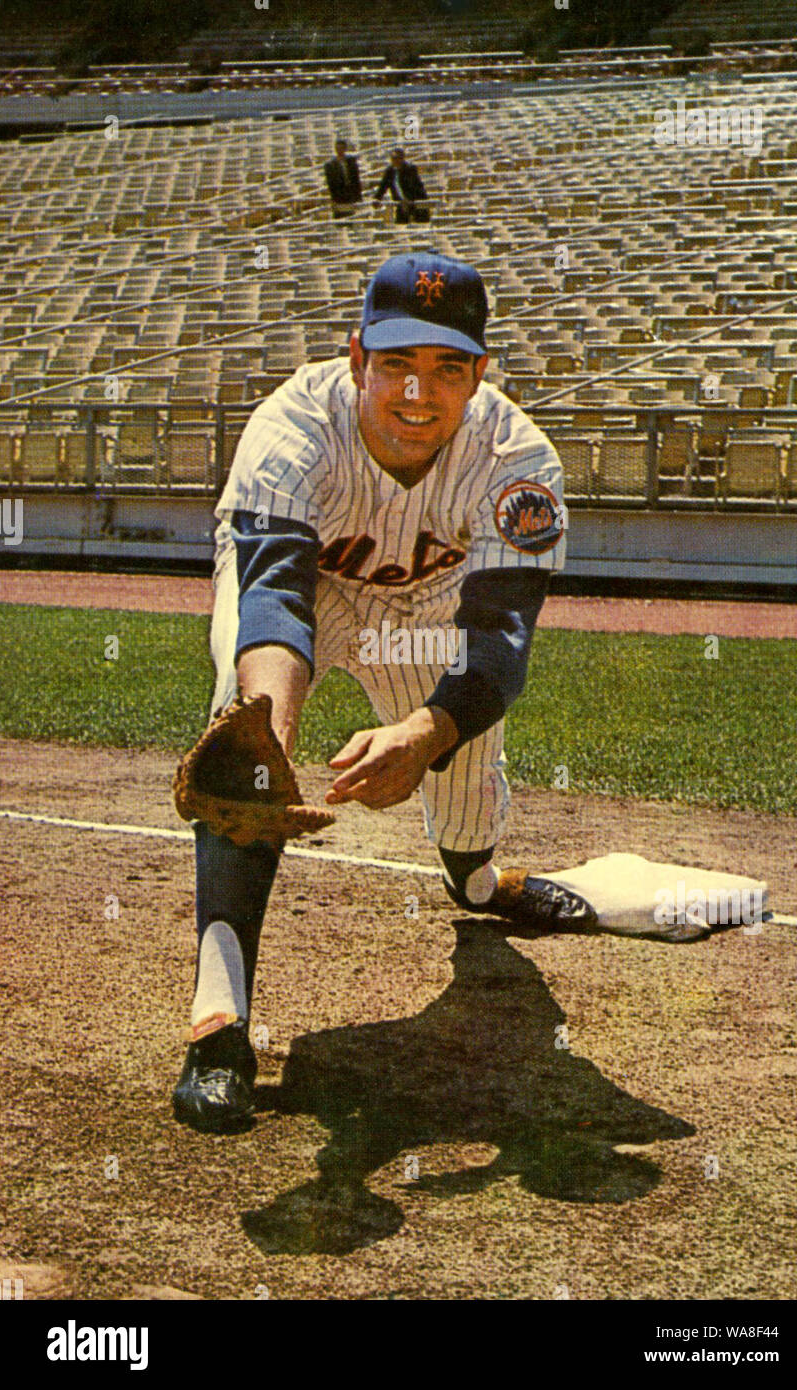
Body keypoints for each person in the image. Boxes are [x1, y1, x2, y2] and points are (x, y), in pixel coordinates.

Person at [173, 250, 587, 1135]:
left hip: (435, 608)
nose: (415, 393)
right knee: (240, 735)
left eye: (445, 368)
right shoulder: (292, 427)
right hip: (310, 591)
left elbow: (500, 642)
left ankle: (475, 880)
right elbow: (277, 596)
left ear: (480, 374)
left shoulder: (520, 461)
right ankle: (219, 1025)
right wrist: (268, 736)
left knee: (465, 782)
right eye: (396, 363)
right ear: (357, 358)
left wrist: (425, 733)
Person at [374, 147, 430, 223]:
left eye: (398, 158)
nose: (395, 161)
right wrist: (377, 198)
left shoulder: (410, 169)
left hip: (416, 202)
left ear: (403, 158)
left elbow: (413, 187)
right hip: (401, 203)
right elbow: (383, 186)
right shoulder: (389, 171)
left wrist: (408, 200)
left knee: (420, 223)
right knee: (401, 224)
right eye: (393, 158)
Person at [323, 137, 362, 218]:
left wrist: (358, 195)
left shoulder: (351, 161)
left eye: (341, 148)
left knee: (351, 217)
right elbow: (330, 183)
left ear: (345, 148)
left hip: (350, 194)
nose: (339, 150)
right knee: (339, 218)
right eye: (337, 148)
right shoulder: (330, 165)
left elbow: (356, 179)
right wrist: (333, 199)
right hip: (338, 195)